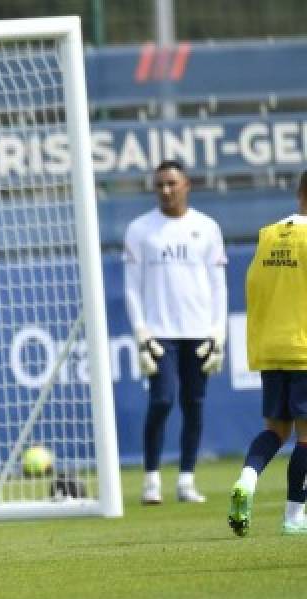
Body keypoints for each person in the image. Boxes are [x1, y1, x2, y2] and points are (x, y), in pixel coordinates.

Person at [123, 159, 227, 505]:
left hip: (198, 330)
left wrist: (218, 332)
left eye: (172, 183)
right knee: (163, 400)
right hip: (159, 332)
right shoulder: (140, 229)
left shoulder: (207, 227)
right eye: (160, 185)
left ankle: (186, 480)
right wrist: (141, 333)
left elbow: (218, 285)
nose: (166, 190)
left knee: (194, 405)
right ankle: (151, 480)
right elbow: (133, 287)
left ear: (187, 185)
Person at [228, 170, 307, 537]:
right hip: (304, 349)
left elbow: (253, 288)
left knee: (275, 430)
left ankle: (247, 479)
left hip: (271, 349)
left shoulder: (269, 235)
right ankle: (294, 516)